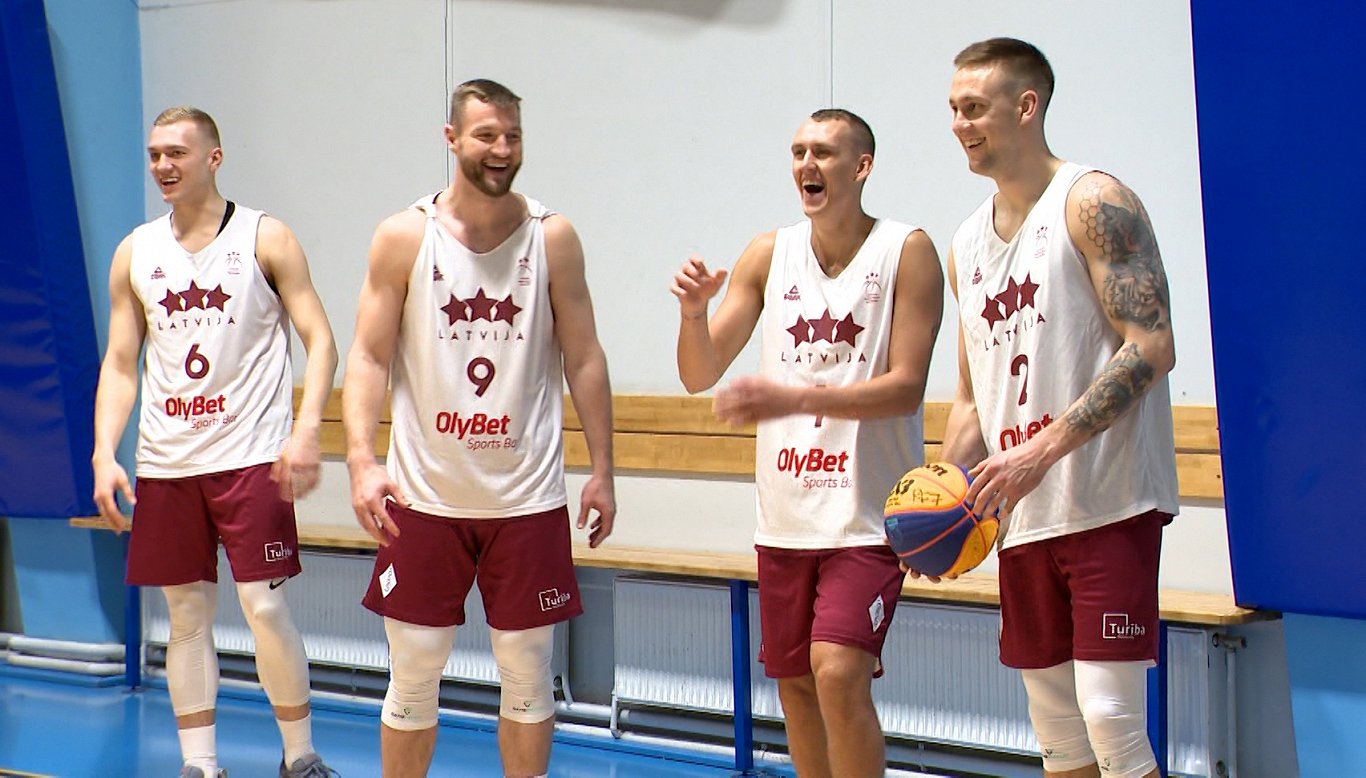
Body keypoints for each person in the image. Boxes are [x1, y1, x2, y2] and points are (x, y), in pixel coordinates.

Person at [343, 79, 616, 778]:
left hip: (525, 499)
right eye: (487, 135)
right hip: (425, 496)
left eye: (512, 136)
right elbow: (369, 354)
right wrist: (360, 461)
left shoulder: (553, 236)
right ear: (452, 139)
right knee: (415, 671)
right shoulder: (405, 236)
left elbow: (583, 356)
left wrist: (604, 471)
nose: (501, 150)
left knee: (527, 671)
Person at [671, 109, 943, 778]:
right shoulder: (770, 252)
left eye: (823, 151)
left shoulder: (907, 250)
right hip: (785, 517)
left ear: (861, 166)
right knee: (795, 685)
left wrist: (792, 397)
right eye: (798, 151)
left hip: (870, 519)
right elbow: (699, 371)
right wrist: (692, 314)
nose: (806, 164)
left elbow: (906, 387)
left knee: (838, 671)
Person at [936, 38, 1180, 778]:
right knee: (1057, 735)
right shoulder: (965, 243)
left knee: (1111, 723)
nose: (958, 123)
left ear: (1026, 106)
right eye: (952, 109)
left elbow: (1152, 345)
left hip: (1107, 501)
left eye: (973, 107)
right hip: (1023, 518)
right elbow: (974, 395)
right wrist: (945, 494)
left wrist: (1041, 451)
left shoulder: (1094, 200)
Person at [91, 107, 340, 778]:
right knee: (185, 618)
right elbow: (120, 363)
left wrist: (308, 427)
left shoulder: (266, 237)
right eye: (154, 154)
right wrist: (102, 451)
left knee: (263, 604)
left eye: (177, 152)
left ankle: (300, 756)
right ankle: (200, 765)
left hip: (252, 455)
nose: (164, 165)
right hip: (169, 461)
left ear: (214, 157)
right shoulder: (136, 251)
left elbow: (321, 339)